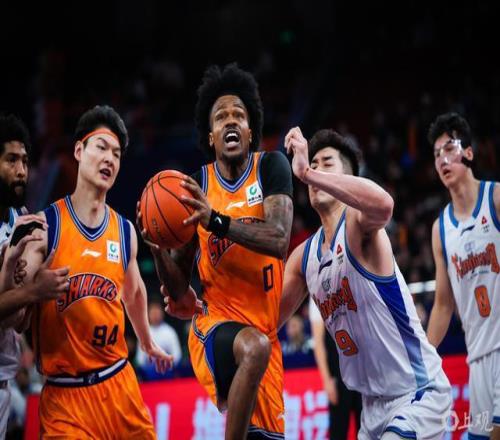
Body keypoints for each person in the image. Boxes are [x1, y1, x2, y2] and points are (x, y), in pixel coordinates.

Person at [141, 63, 293, 439]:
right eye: (221, 117)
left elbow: (278, 239)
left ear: (250, 130)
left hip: (265, 335)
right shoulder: (195, 189)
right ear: (211, 137)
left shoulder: (271, 167)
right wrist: (159, 252)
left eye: (238, 115)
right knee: (254, 348)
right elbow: (178, 289)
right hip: (215, 326)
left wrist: (218, 221)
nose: (230, 121)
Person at [279, 127, 452, 439]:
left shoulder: (358, 224)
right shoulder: (303, 257)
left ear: (347, 179)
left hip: (416, 393)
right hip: (370, 409)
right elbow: (268, 319)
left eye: (327, 164)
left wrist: (307, 173)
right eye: (312, 164)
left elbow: (384, 204)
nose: (316, 170)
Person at [19, 105, 172, 439]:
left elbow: (134, 292)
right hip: (65, 397)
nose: (109, 159)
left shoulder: (125, 231)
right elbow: (13, 309)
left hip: (118, 386)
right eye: (101, 147)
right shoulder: (45, 227)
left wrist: (147, 342)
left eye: (116, 154)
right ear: (78, 151)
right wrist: (30, 292)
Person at [426, 112, 500, 439]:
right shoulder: (440, 228)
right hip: (477, 358)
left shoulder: (495, 198)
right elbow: (443, 306)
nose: (443, 159)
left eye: (449, 149)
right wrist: (425, 358)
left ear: (468, 153)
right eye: (436, 154)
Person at [0, 114, 69, 440]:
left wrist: (29, 290)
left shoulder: (21, 221)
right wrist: (34, 291)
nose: (21, 170)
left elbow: (16, 321)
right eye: (11, 160)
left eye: (25, 161)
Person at [309, 297, 361, 439]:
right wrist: (326, 380)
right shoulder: (317, 291)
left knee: (367, 430)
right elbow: (318, 343)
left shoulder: (355, 285)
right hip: (338, 373)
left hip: (362, 370)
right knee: (338, 430)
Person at [135, 301, 182, 372]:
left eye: (157, 313)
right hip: (149, 371)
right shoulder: (143, 333)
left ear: (162, 313)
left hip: (168, 369)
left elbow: (177, 355)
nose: (155, 316)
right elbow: (140, 359)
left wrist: (168, 363)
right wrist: (148, 368)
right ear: (148, 314)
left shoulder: (170, 331)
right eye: (153, 313)